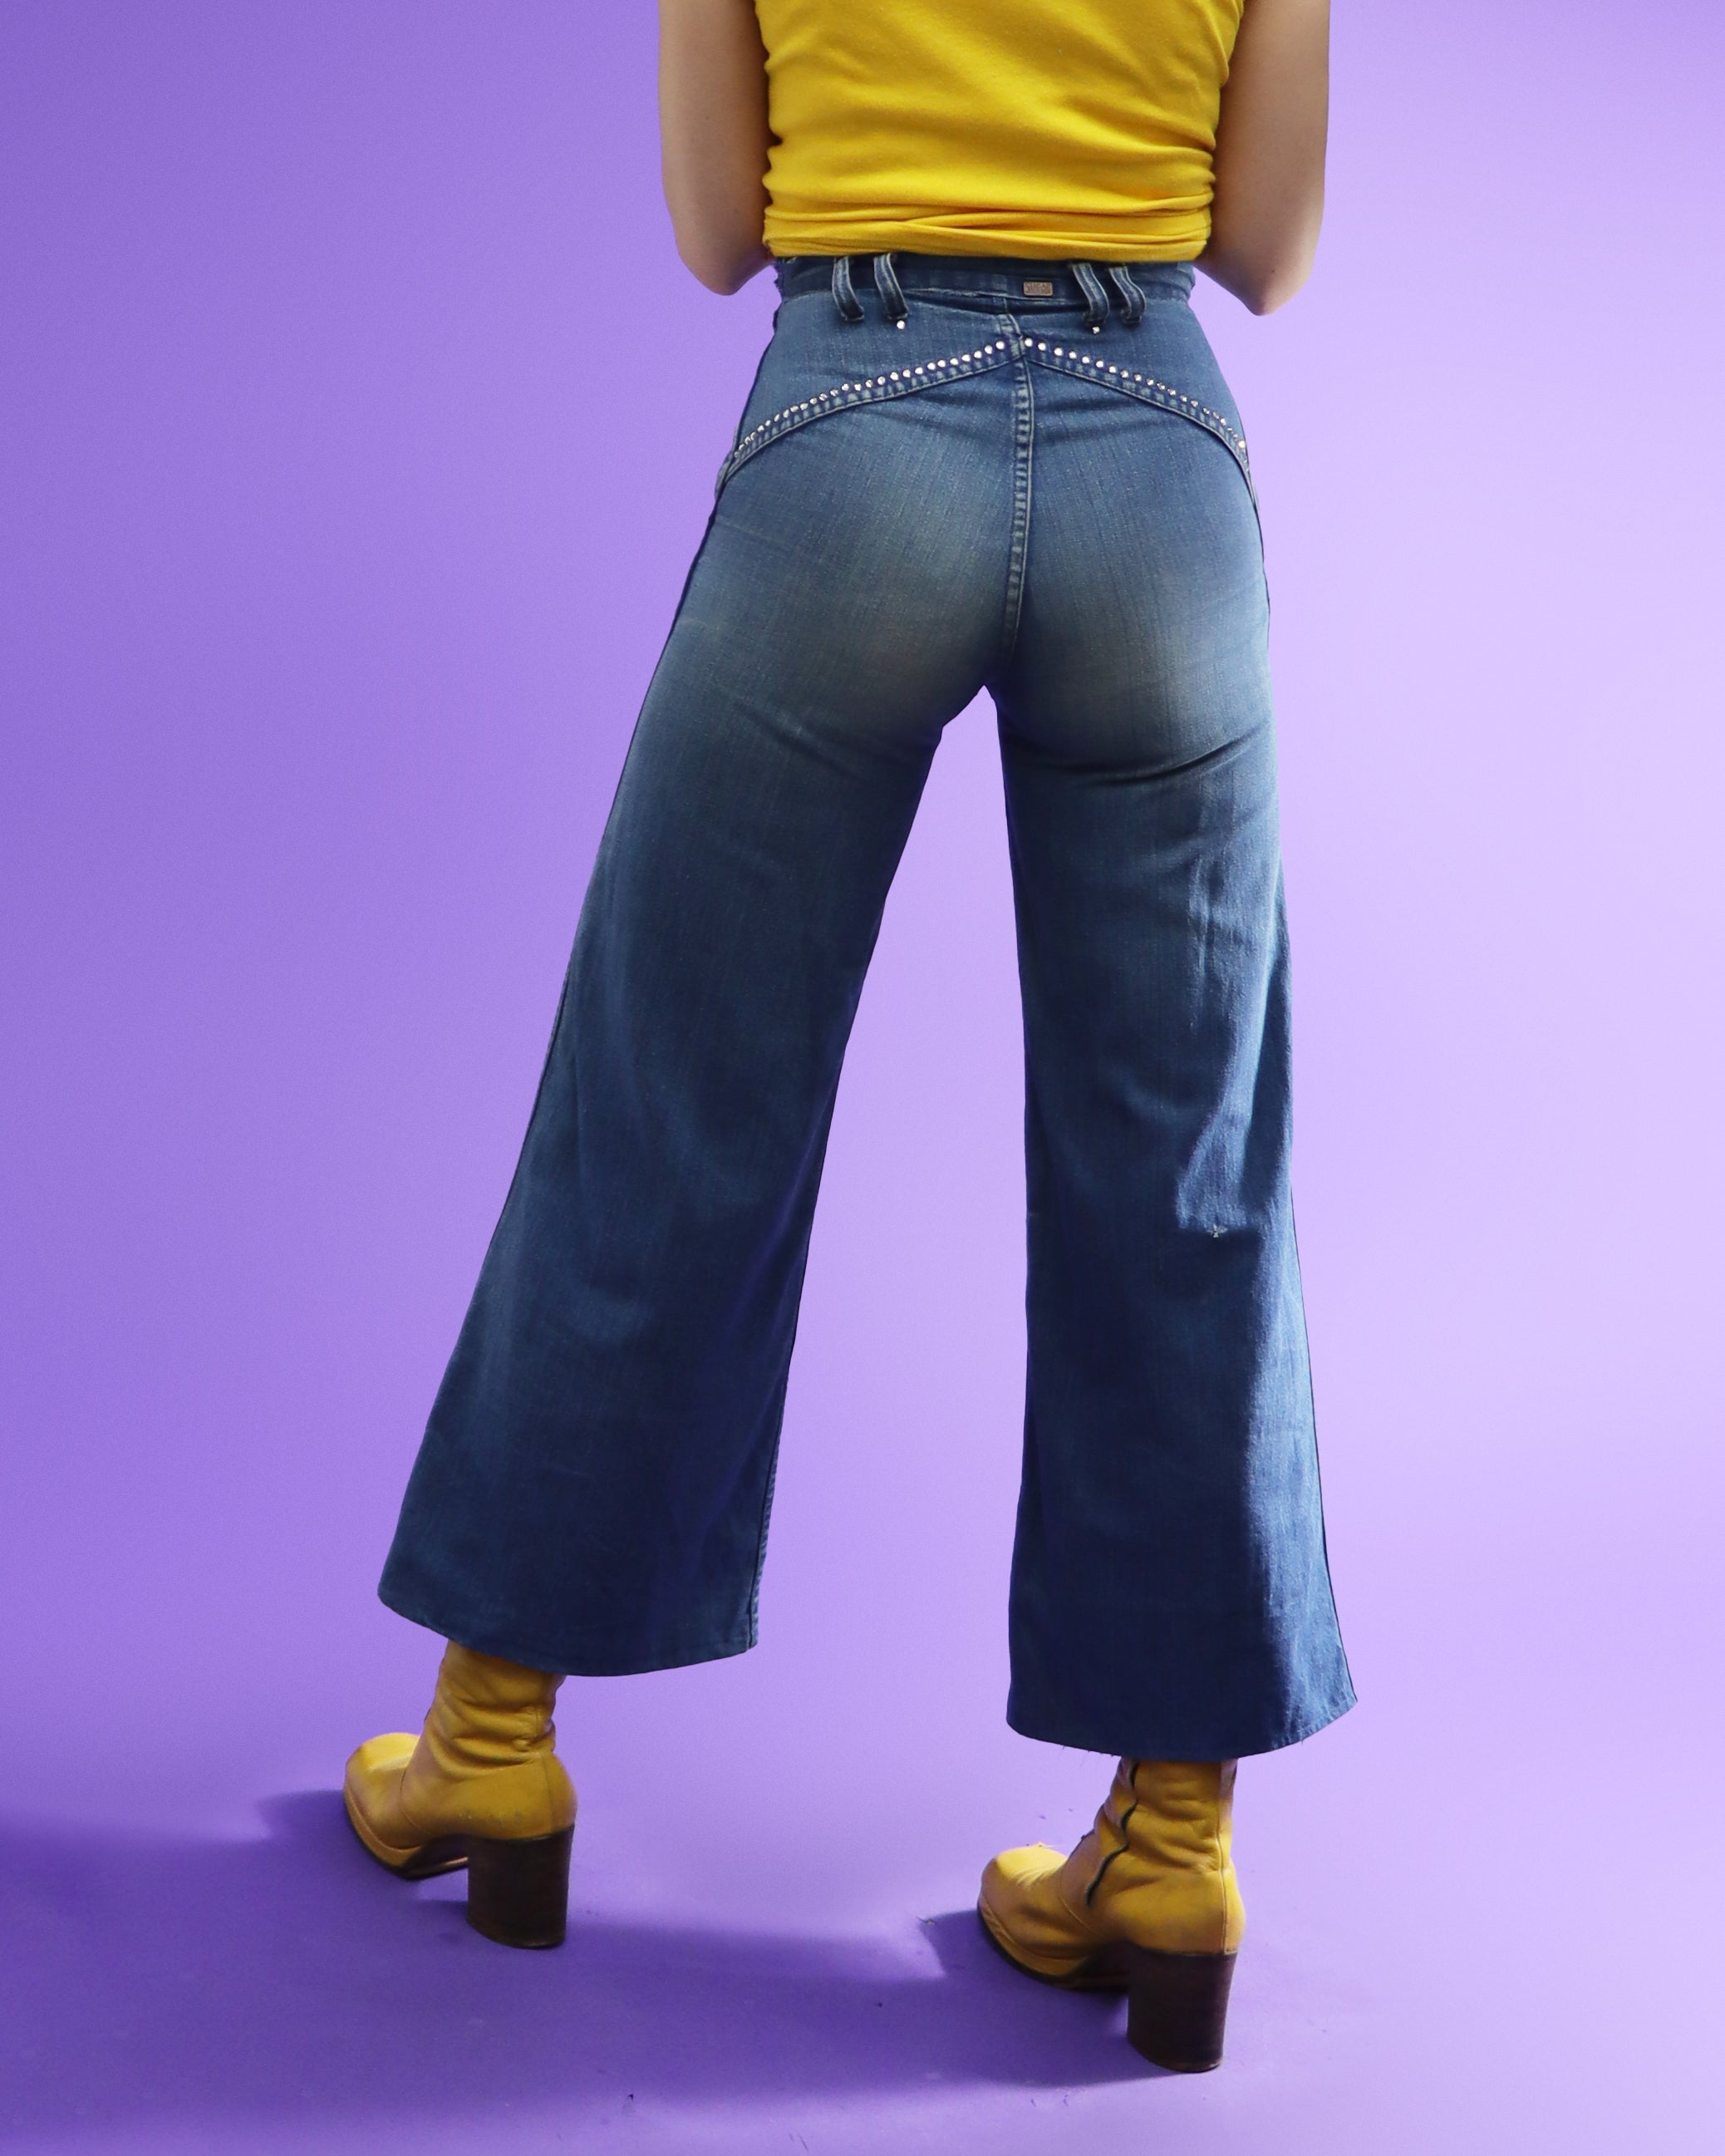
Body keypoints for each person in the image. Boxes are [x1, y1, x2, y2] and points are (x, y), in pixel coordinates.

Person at [343, 0, 1350, 2073]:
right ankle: (1173, 1844)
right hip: (1157, 474)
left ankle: (491, 1741)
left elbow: (722, 228)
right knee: (1183, 1170)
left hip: (853, 439)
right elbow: (1267, 246)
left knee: (668, 1100)